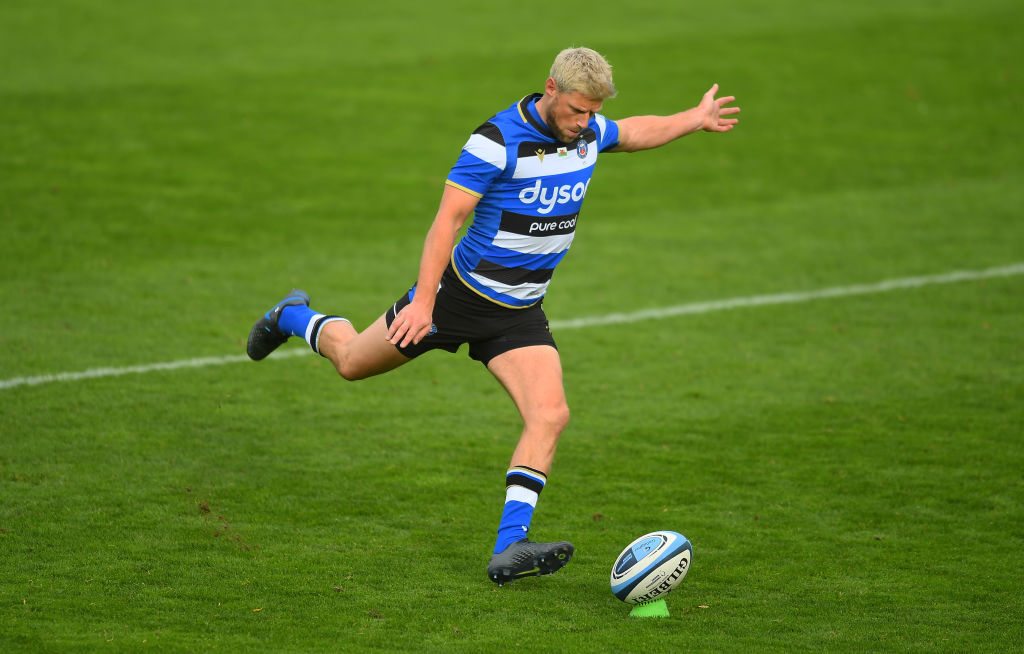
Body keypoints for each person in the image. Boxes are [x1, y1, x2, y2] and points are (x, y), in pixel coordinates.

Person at [247, 47, 739, 586]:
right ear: (550, 89)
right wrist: (425, 303)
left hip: (519, 313)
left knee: (550, 414)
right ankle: (293, 315)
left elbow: (634, 131)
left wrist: (694, 119)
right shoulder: (496, 141)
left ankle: (510, 547)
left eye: (592, 113)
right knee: (350, 363)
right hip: (455, 299)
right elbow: (445, 224)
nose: (584, 124)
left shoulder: (590, 129)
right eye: (576, 110)